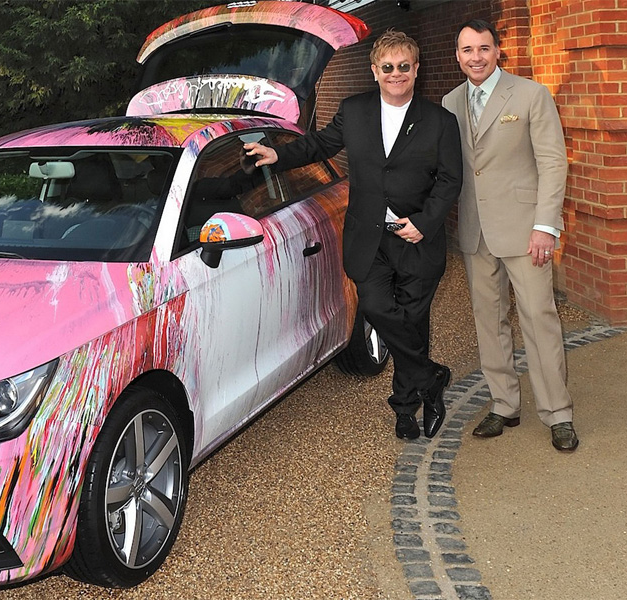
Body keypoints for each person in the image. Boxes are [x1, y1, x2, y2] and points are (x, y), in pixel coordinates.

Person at [246, 30, 462, 440]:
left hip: (418, 239)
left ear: (416, 69)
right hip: (369, 239)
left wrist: (425, 222)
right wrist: (278, 154)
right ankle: (430, 377)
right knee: (378, 309)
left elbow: (451, 180)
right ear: (374, 70)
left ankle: (405, 407)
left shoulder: (440, 121)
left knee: (413, 322)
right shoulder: (354, 110)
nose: (396, 74)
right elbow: (319, 145)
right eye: (388, 67)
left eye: (404, 66)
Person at [441, 19, 578, 451]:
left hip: (525, 231)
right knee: (489, 321)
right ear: (457, 56)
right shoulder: (449, 102)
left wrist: (545, 227)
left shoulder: (531, 94)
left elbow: (553, 162)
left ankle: (558, 412)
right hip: (475, 230)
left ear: (498, 51)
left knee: (539, 319)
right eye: (467, 50)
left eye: (484, 48)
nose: (476, 57)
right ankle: (504, 404)